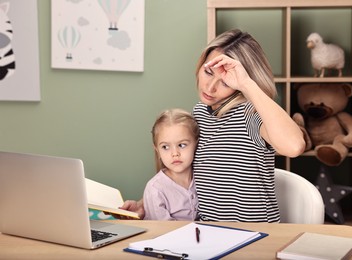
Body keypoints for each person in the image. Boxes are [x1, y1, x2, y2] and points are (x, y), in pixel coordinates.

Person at [120, 29, 305, 222]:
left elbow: (294, 146)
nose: (210, 88)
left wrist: (247, 83)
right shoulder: (200, 112)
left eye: (225, 82)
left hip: (253, 236)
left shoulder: (250, 115)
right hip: (209, 234)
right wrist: (146, 203)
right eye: (208, 72)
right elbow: (185, 170)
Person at [141, 108, 199, 220]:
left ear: (196, 144)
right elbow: (162, 231)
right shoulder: (156, 189)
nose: (175, 153)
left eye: (182, 145)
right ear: (157, 150)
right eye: (165, 147)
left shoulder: (203, 179)